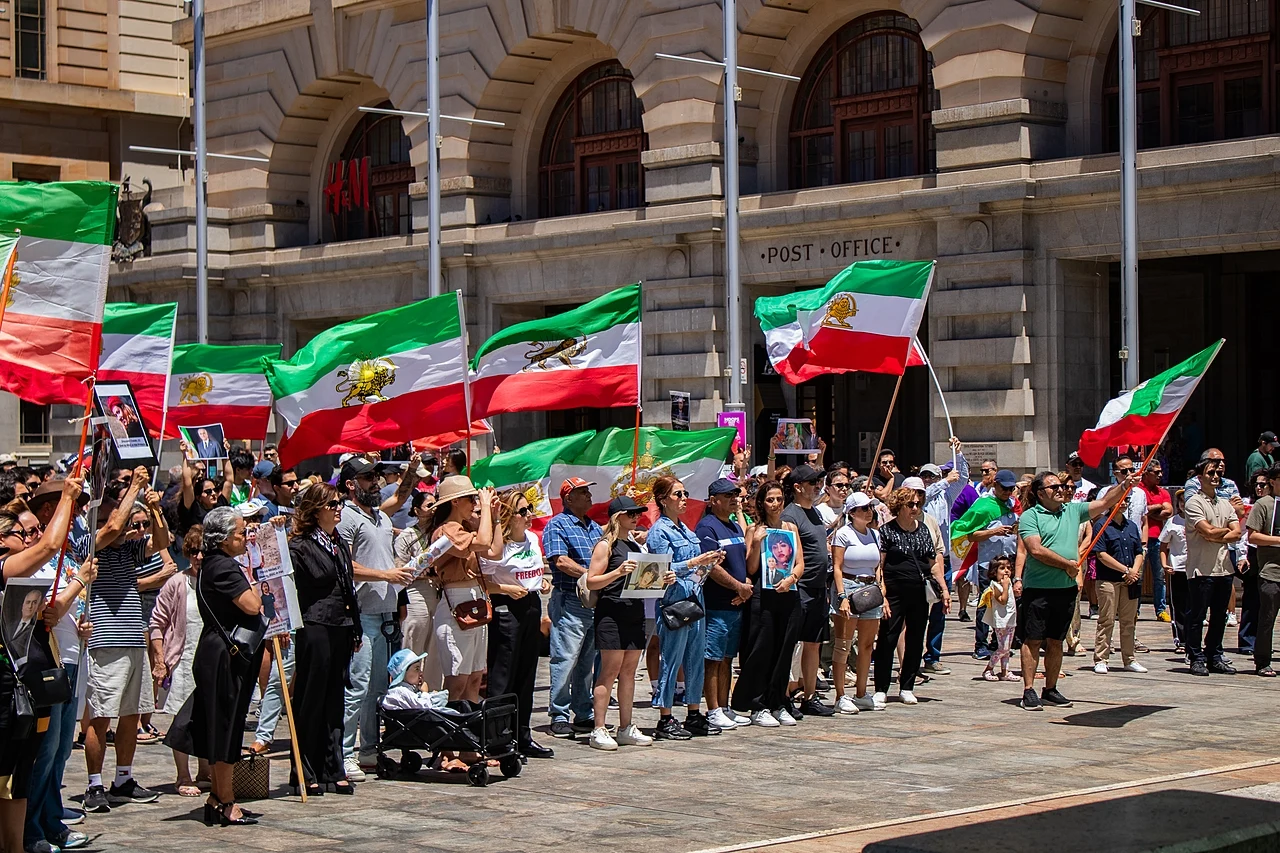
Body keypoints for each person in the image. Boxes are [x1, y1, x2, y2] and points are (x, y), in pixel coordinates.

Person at [164, 507, 264, 827]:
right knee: (224, 729)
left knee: (226, 726)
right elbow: (251, 605)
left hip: (217, 652)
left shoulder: (213, 564)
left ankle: (218, 797)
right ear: (222, 539)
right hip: (223, 656)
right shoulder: (223, 567)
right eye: (239, 533)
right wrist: (264, 588)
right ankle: (226, 801)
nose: (244, 538)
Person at [6, 479, 90, 853]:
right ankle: (27, 835)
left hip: (37, 674)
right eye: (21, 533)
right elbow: (50, 547)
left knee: (32, 762)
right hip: (12, 684)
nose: (30, 538)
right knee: (21, 764)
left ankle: (27, 837)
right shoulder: (9, 568)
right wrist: (68, 498)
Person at [83, 469, 171, 813]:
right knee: (101, 716)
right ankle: (93, 784)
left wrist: (154, 510)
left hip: (134, 639)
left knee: (131, 715)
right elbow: (114, 528)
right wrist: (135, 487)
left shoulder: (128, 550)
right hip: (105, 641)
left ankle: (123, 778)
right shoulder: (90, 545)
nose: (129, 526)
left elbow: (162, 543)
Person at [1015, 469, 1136, 710]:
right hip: (1038, 588)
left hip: (1066, 589)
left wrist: (1124, 486)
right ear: (1040, 493)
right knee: (1033, 640)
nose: (1061, 490)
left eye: (1062, 486)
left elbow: (1103, 503)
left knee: (1056, 640)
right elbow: (1035, 550)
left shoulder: (1072, 510)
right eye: (1054, 487)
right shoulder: (1030, 516)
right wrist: (1067, 565)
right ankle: (1028, 690)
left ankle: (1050, 689)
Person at [335, 457, 413, 782]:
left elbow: (403, 493)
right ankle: (345, 752)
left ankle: (369, 749)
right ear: (351, 484)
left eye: (376, 476)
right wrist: (386, 574)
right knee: (357, 686)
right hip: (361, 614)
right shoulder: (346, 519)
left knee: (378, 686)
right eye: (368, 477)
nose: (375, 482)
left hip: (384, 614)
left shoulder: (379, 516)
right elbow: (343, 565)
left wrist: (414, 465)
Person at [288, 483, 360, 796]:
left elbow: (347, 584)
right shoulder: (300, 545)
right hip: (315, 624)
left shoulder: (338, 542)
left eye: (339, 503)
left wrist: (354, 626)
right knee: (311, 699)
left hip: (341, 624)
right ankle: (305, 768)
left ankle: (334, 767)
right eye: (332, 504)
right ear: (316, 510)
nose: (338, 508)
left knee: (335, 699)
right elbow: (318, 576)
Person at [649, 476, 724, 740]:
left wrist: (710, 562)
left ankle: (693, 712)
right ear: (663, 500)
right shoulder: (659, 531)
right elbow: (659, 569)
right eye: (677, 494)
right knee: (671, 658)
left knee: (695, 658)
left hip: (694, 598)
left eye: (685, 493)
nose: (683, 499)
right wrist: (695, 562)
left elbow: (694, 565)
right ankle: (665, 717)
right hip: (673, 602)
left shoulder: (685, 528)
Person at [481, 489, 553, 759]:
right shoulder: (500, 546)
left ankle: (523, 735)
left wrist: (542, 582)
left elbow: (534, 571)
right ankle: (497, 739)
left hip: (531, 605)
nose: (529, 515)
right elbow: (483, 579)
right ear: (510, 516)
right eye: (523, 511)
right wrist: (505, 588)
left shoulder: (533, 539)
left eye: (530, 509)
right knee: (503, 675)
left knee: (526, 673)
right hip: (506, 607)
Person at [584, 496, 660, 750]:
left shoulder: (635, 546)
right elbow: (591, 581)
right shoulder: (606, 545)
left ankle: (626, 726)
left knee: (629, 672)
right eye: (631, 514)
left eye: (637, 513)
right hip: (612, 613)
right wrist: (617, 572)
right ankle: (598, 728)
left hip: (634, 611)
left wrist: (662, 579)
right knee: (609, 671)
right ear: (618, 517)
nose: (636, 517)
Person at [732, 481, 804, 726]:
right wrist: (757, 544)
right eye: (770, 499)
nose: (775, 504)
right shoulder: (754, 529)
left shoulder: (790, 528)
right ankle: (757, 704)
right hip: (764, 595)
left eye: (779, 499)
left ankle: (778, 701)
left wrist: (792, 578)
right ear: (762, 503)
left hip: (788, 594)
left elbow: (800, 563)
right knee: (761, 649)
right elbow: (751, 567)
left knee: (784, 650)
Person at [872, 486, 950, 708]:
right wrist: (883, 594)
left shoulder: (924, 530)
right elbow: (880, 565)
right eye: (911, 504)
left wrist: (944, 590)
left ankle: (907, 686)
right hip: (894, 591)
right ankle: (881, 688)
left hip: (918, 591)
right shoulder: (887, 531)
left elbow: (933, 564)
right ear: (900, 506)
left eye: (918, 504)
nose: (915, 508)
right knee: (888, 637)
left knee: (916, 638)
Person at [149, 527, 209, 799]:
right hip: (183, 658)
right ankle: (182, 774)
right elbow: (157, 623)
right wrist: (160, 659)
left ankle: (205, 769)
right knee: (182, 718)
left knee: (208, 715)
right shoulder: (177, 582)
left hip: (209, 660)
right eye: (193, 552)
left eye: (203, 551)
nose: (198, 557)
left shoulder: (216, 581)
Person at [541, 477, 603, 738]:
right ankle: (559, 713)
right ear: (568, 498)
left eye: (589, 491)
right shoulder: (557, 525)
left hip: (593, 601)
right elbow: (561, 561)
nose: (589, 496)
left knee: (586, 661)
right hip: (570, 599)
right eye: (583, 493)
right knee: (565, 659)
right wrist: (590, 575)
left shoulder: (595, 528)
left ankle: (583, 711)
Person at [696, 479, 753, 732]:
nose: (734, 499)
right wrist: (737, 587)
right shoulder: (707, 527)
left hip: (736, 604)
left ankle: (725, 705)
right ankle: (713, 709)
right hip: (717, 604)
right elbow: (711, 567)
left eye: (735, 494)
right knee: (713, 659)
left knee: (728, 658)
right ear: (713, 500)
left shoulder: (734, 526)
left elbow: (742, 560)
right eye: (727, 495)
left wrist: (746, 584)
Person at [780, 464, 835, 717]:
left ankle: (810, 696)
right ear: (798, 487)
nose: (817, 487)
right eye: (812, 483)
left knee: (813, 642)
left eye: (817, 482)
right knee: (790, 645)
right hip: (798, 587)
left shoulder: (814, 514)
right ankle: (784, 694)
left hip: (818, 587)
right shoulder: (790, 515)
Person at [1183, 456, 1242, 676]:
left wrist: (1218, 535)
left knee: (1220, 615)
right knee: (1198, 615)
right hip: (1201, 568)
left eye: (1218, 473)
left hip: (1224, 567)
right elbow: (1205, 531)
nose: (1216, 477)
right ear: (1200, 477)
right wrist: (1223, 533)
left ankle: (1214, 654)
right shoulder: (1193, 502)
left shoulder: (1225, 503)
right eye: (1210, 473)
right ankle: (1195, 656)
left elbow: (1236, 532)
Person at [830, 490, 883, 712]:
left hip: (870, 589)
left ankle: (861, 692)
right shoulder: (843, 534)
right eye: (863, 508)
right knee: (844, 643)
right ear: (851, 512)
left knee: (867, 645)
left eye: (869, 507)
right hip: (850, 587)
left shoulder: (875, 535)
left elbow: (879, 566)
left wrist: (882, 591)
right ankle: (841, 694)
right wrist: (841, 596)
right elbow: (837, 567)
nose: (868, 512)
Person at [920, 438, 968, 672]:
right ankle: (910, 655)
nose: (929, 480)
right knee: (917, 611)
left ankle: (932, 656)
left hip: (943, 559)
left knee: (940, 609)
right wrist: (943, 482)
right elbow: (922, 495)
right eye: (926, 476)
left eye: (933, 476)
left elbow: (964, 479)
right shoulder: (920, 496)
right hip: (921, 560)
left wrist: (958, 454)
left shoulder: (945, 497)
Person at [964, 469, 1019, 662]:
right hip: (989, 563)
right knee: (986, 603)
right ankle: (980, 645)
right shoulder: (984, 505)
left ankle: (1000, 643)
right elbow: (971, 534)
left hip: (1009, 561)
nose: (1007, 492)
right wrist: (994, 531)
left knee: (1006, 605)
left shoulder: (1013, 504)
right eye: (1004, 488)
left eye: (1011, 488)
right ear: (995, 485)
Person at [1090, 492, 1147, 675]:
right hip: (1109, 580)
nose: (1123, 504)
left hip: (1130, 580)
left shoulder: (1131, 526)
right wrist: (1125, 570)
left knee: (1129, 621)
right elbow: (1101, 554)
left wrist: (1134, 571)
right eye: (1120, 500)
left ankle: (1129, 659)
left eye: (1126, 501)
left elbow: (1139, 551)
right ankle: (1101, 658)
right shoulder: (1101, 524)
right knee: (1106, 620)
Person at [393, 490, 443, 691]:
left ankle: (431, 693)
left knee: (435, 649)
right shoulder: (407, 535)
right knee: (413, 643)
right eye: (428, 505)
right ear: (416, 510)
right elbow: (400, 565)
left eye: (435, 504)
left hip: (438, 594)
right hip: (415, 593)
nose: (433, 509)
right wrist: (426, 571)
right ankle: (405, 691)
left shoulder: (440, 534)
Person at [1246, 466, 1280, 676]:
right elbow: (1253, 537)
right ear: (1273, 481)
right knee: (1267, 618)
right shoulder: (1264, 504)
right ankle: (1262, 661)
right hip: (1271, 572)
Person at [1139, 461, 1173, 623]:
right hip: (1141, 539)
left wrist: (1149, 509)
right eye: (1156, 472)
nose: (1160, 475)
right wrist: (1155, 508)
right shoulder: (1139, 490)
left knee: (1160, 577)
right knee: (1138, 576)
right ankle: (1135, 609)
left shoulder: (1163, 491)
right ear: (1146, 473)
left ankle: (1160, 610)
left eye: (1161, 472)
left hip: (1158, 538)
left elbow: (1168, 511)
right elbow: (1139, 509)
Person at [1160, 490, 1189, 655]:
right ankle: (1181, 639)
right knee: (1179, 606)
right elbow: (1163, 545)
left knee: (1195, 605)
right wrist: (1165, 564)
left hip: (1196, 568)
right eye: (1182, 501)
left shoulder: (1199, 521)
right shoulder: (1173, 522)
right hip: (1178, 568)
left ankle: (1193, 639)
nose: (1184, 505)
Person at [980, 556, 1018, 681]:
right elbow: (1002, 600)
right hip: (1001, 621)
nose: (1006, 571)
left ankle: (1005, 671)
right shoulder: (995, 585)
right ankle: (988, 668)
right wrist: (1006, 587)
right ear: (994, 572)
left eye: (1008, 568)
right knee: (1003, 648)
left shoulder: (1009, 583)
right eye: (1002, 568)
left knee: (1007, 649)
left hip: (1011, 619)